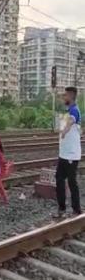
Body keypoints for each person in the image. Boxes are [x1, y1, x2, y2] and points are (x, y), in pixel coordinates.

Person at [54, 86, 82, 218]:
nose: (64, 97)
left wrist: (64, 131)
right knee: (59, 179)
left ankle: (76, 209)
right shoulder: (67, 110)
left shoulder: (74, 110)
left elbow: (71, 121)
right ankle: (62, 208)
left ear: (71, 96)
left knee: (71, 181)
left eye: (65, 95)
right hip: (63, 154)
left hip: (71, 155)